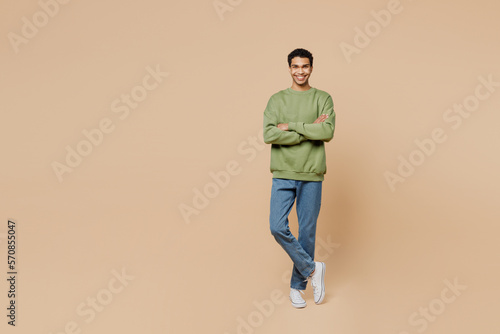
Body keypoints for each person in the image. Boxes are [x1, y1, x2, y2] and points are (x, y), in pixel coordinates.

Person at [263, 48, 335, 308]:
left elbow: (326, 131)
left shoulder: (323, 98)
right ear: (289, 68)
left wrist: (292, 126)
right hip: (282, 173)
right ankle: (313, 268)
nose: (300, 71)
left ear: (312, 68)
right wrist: (308, 130)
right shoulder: (276, 100)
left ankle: (297, 287)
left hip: (312, 174)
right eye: (295, 66)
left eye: (305, 66)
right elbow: (269, 135)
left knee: (306, 232)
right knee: (277, 226)